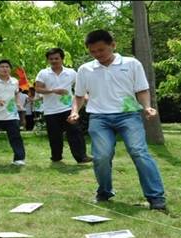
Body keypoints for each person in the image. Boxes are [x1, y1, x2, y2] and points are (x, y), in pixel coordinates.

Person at [70, 29, 166, 210]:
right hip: (99, 118)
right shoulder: (85, 69)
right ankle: (104, 191)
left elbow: (141, 90)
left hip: (128, 114)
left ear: (113, 45)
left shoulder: (132, 64)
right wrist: (75, 111)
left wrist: (147, 107)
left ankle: (156, 197)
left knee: (138, 151)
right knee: (101, 157)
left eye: (102, 50)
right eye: (93, 52)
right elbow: (79, 95)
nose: (98, 55)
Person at [35, 47, 91, 164]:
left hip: (69, 108)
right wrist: (53, 90)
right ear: (48, 60)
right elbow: (38, 88)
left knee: (75, 132)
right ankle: (56, 157)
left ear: (62, 59)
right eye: (51, 59)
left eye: (56, 58)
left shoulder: (71, 72)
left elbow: (80, 87)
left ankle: (81, 157)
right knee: (55, 136)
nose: (54, 61)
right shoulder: (43, 73)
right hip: (51, 110)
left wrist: (86, 97)